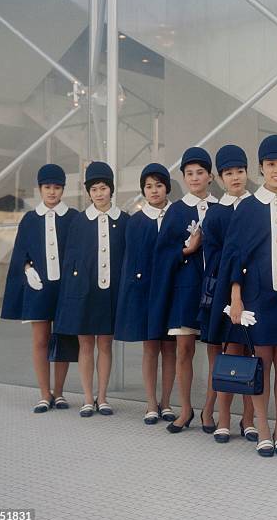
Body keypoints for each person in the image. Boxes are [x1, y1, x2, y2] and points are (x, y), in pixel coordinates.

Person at [210, 134, 277, 457]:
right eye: (271, 165)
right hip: (256, 298)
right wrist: (236, 299)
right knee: (261, 362)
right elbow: (234, 257)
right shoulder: (248, 208)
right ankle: (263, 428)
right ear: (261, 168)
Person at [1, 164, 78, 413]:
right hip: (39, 288)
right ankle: (44, 393)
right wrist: (27, 270)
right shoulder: (30, 219)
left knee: (65, 339)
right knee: (40, 340)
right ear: (40, 189)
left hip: (66, 288)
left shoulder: (74, 217)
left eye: (57, 187)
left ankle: (59, 392)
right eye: (47, 187)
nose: (52, 192)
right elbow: (20, 253)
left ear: (63, 189)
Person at [54, 161, 129, 418]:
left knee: (106, 344)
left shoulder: (125, 220)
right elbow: (69, 259)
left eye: (103, 188)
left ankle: (103, 397)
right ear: (88, 192)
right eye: (94, 189)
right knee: (85, 345)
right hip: (84, 292)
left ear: (111, 190)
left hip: (111, 292)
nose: (99, 193)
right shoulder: (78, 221)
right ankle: (87, 398)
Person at [152, 147, 218, 433]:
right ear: (183, 177)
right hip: (185, 291)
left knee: (216, 351)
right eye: (189, 173)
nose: (194, 178)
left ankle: (209, 410)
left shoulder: (221, 207)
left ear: (210, 176)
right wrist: (186, 250)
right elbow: (162, 254)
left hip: (216, 290)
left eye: (200, 172)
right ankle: (185, 409)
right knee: (184, 350)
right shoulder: (176, 210)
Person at [199, 145, 256, 444]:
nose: (235, 178)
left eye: (240, 171)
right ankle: (223, 416)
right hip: (225, 293)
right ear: (219, 178)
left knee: (252, 352)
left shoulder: (258, 206)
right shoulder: (216, 214)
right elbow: (213, 257)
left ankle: (249, 418)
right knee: (228, 354)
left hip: (256, 290)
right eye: (229, 173)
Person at [114, 163, 177, 425]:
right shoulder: (136, 221)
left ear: (167, 188)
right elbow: (130, 262)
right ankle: (151, 403)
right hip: (146, 293)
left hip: (173, 291)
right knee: (150, 348)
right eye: (148, 186)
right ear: (143, 190)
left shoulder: (179, 215)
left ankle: (167, 402)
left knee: (171, 349)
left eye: (159, 185)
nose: (154, 191)